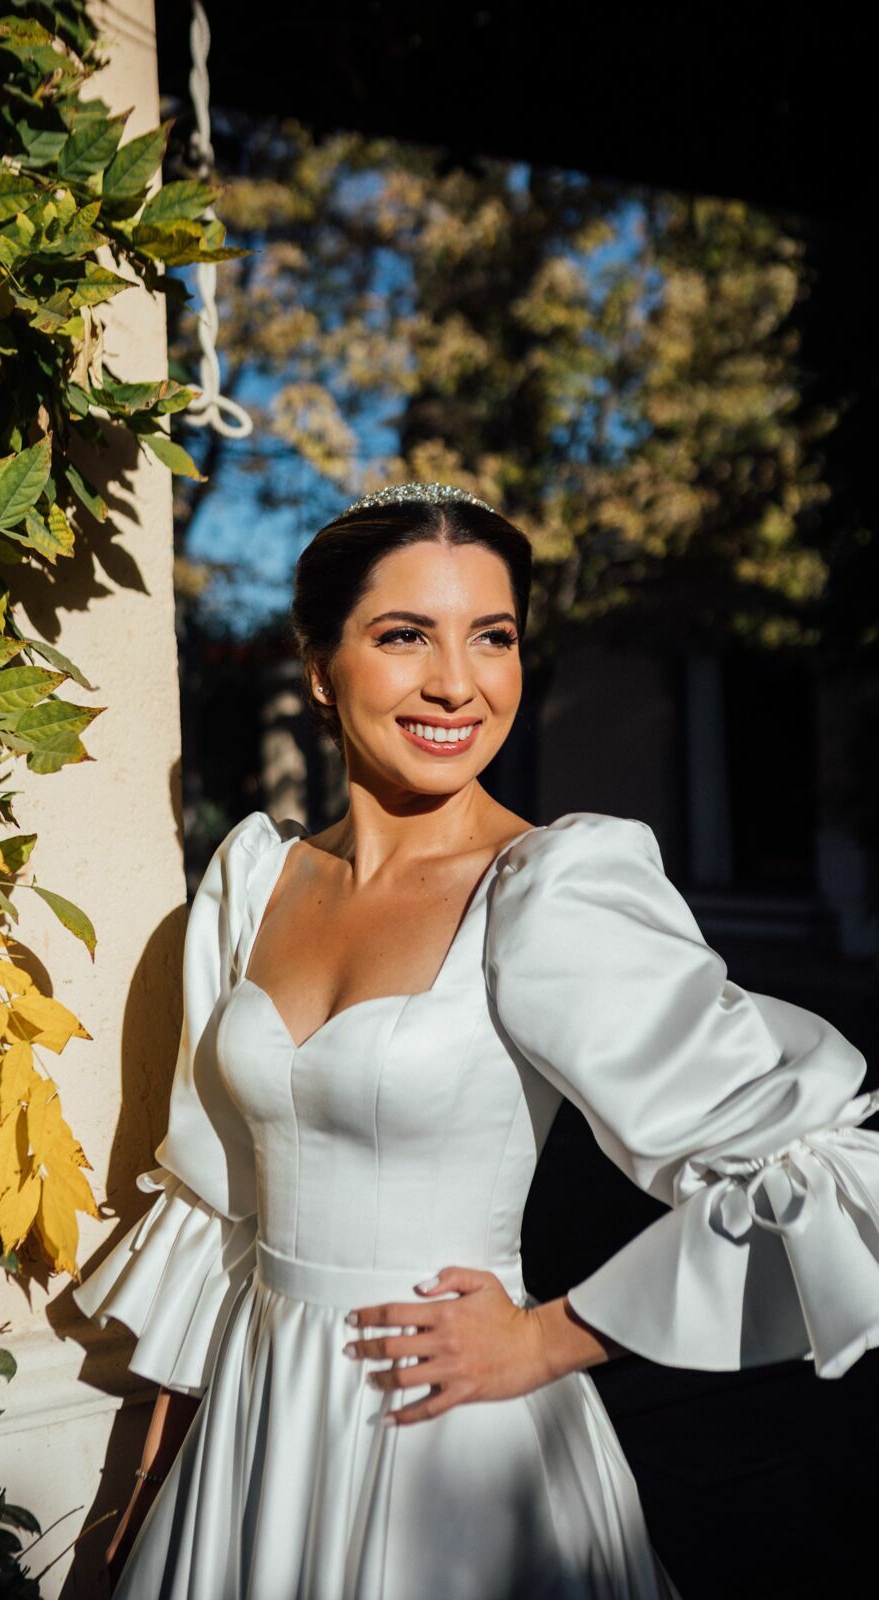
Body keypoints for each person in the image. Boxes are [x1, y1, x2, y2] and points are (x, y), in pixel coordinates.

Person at [73, 483, 879, 1599]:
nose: (457, 681)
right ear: (319, 665)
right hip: (256, 1436)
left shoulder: (548, 890)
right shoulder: (252, 881)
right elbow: (220, 1205)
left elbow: (829, 1172)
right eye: (405, 635)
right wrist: (152, 1478)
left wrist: (554, 1336)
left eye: (491, 637)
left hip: (455, 1450)